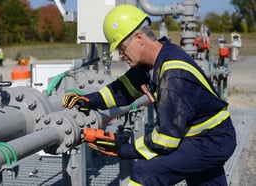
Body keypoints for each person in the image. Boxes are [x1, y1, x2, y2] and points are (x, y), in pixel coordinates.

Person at [62, 4, 236, 186]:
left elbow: (165, 140)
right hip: (206, 136)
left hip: (210, 140)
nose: (120, 55)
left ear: (139, 38)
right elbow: (123, 90)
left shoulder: (173, 75)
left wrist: (123, 149)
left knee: (146, 173)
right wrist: (90, 100)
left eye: (122, 47)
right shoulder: (154, 61)